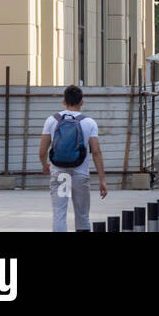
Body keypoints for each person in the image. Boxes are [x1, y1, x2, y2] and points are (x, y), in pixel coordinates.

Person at [39, 85, 106, 232]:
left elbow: (42, 151)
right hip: (80, 174)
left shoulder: (52, 120)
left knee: (59, 214)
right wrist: (102, 180)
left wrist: (45, 165)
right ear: (82, 102)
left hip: (60, 174)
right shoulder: (89, 122)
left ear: (64, 101)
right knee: (82, 216)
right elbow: (96, 152)